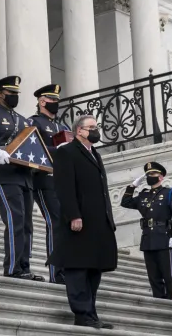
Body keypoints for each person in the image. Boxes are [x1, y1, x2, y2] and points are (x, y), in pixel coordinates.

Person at [48, 115, 117, 329]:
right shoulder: (66, 152)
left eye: (96, 127)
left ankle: (91, 313)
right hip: (79, 221)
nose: (96, 130)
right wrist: (74, 214)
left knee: (94, 268)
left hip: (98, 222)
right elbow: (64, 187)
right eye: (92, 127)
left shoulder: (94, 154)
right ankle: (82, 313)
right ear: (79, 131)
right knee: (77, 268)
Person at [0, 75, 44, 281]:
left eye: (16, 94)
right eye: (11, 93)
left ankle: (25, 266)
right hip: (2, 175)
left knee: (27, 222)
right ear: (0, 94)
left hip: (24, 176)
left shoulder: (23, 120)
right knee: (15, 219)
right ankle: (13, 267)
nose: (14, 97)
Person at [120, 161, 172, 300]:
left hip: (164, 237)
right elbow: (125, 202)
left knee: (168, 274)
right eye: (148, 174)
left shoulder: (169, 193)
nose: (150, 176)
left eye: (153, 174)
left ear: (161, 177)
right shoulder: (143, 195)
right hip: (148, 238)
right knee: (153, 275)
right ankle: (159, 301)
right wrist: (132, 186)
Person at [27, 83, 70, 284]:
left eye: (57, 100)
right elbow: (31, 149)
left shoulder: (62, 127)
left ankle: (64, 267)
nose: (55, 103)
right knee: (54, 223)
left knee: (64, 224)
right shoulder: (34, 122)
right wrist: (58, 150)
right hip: (44, 179)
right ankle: (56, 272)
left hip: (63, 180)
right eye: (52, 100)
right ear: (42, 101)